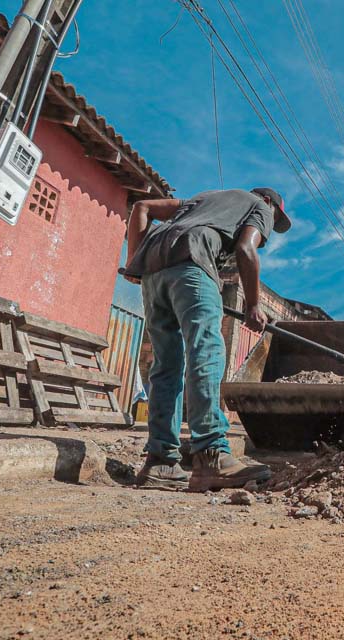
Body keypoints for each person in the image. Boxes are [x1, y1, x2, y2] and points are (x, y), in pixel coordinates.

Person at [123, 187, 292, 491]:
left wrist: (134, 260)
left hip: (153, 270)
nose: (268, 232)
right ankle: (211, 454)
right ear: (270, 203)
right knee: (206, 351)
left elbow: (143, 206)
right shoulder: (260, 206)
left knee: (166, 364)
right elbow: (246, 250)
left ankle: (160, 462)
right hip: (192, 261)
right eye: (274, 220)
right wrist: (253, 304)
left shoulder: (200, 200)